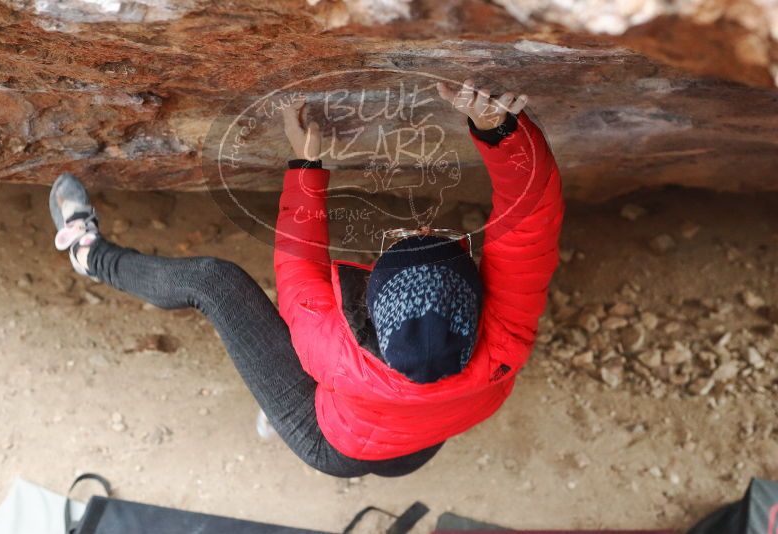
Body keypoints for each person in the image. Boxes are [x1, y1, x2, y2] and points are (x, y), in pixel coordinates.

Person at [48, 79, 564, 478]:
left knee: (215, 283)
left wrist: (306, 160)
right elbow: (531, 215)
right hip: (417, 447)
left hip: (329, 441)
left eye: (405, 240)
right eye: (433, 235)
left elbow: (297, 260)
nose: (423, 226)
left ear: (368, 308)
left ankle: (91, 257)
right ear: (478, 302)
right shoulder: (506, 335)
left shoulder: (330, 347)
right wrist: (499, 129)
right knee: (401, 411)